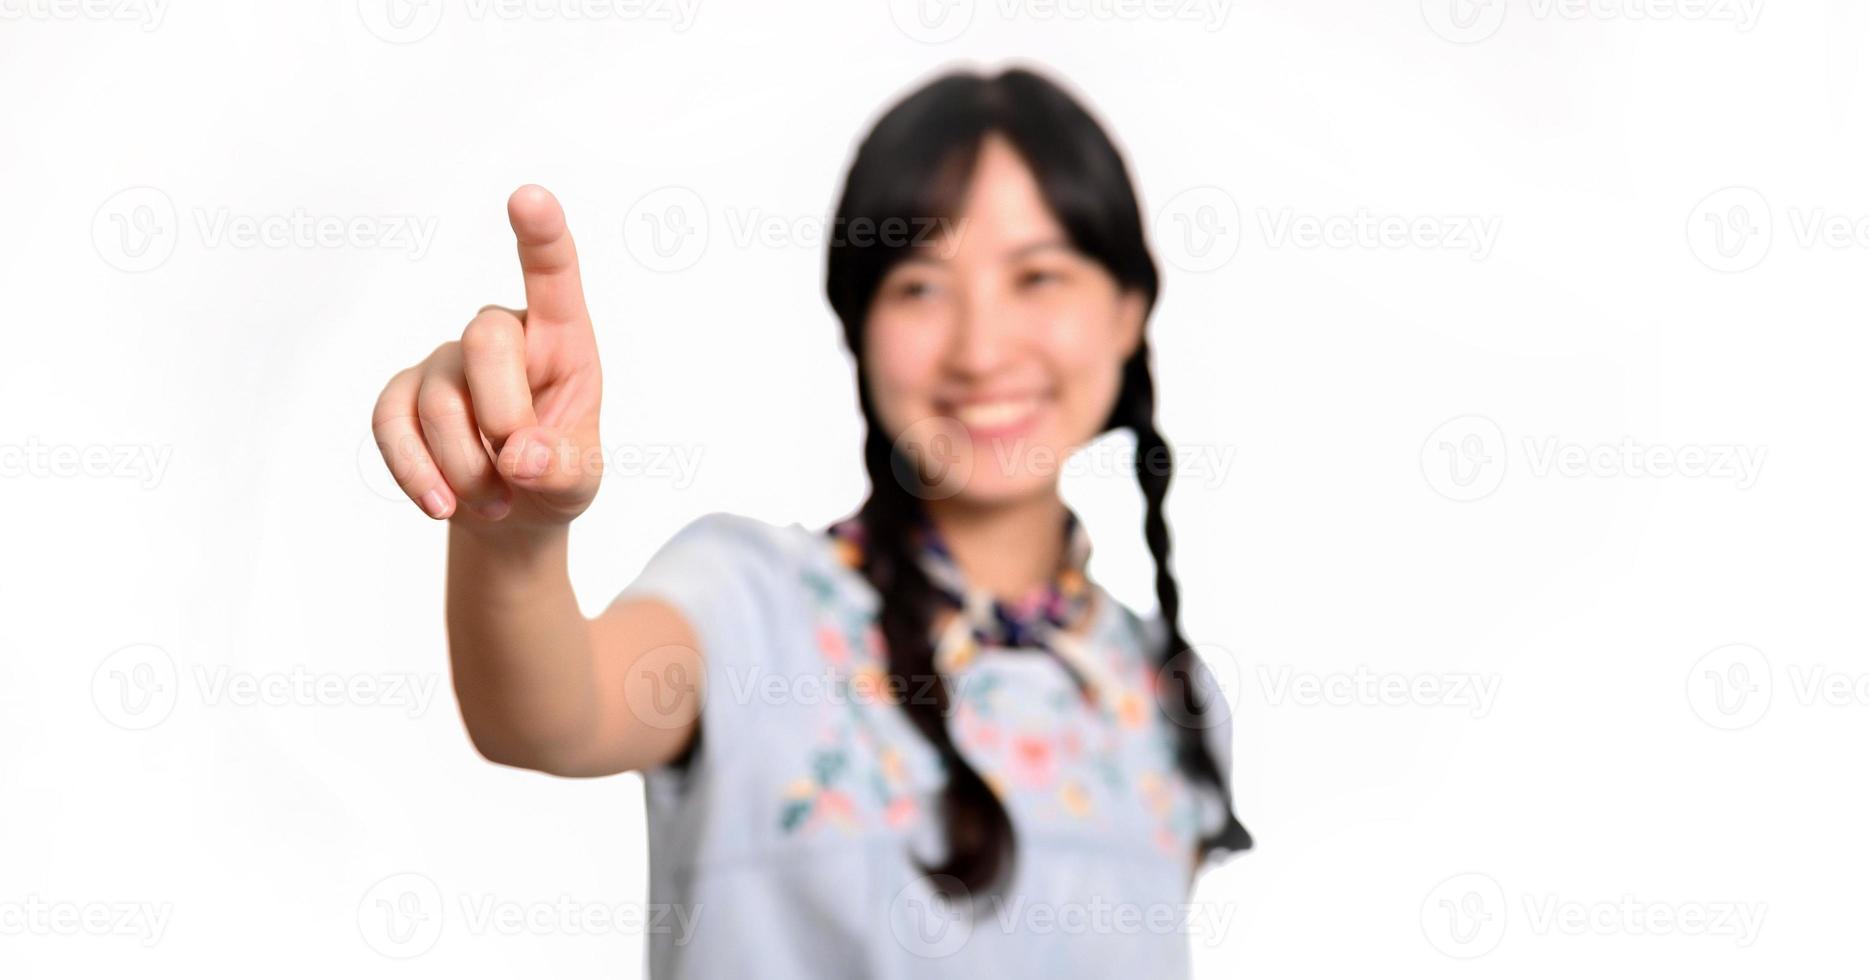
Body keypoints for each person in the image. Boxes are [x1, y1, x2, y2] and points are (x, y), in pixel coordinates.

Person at [370, 65, 1251, 978]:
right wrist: (511, 530)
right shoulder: (752, 603)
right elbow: (549, 716)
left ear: (1126, 313)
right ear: (858, 326)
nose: (982, 348)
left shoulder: (1168, 695)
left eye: (1038, 277)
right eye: (919, 287)